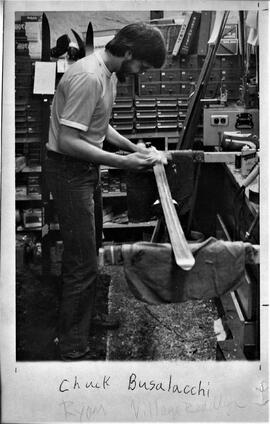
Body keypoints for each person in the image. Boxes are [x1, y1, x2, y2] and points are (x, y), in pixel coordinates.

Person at [45, 22, 167, 360]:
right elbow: (69, 141)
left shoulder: (107, 73)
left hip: (85, 170)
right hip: (70, 171)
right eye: (142, 65)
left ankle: (89, 317)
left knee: (93, 245)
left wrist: (132, 148)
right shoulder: (88, 77)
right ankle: (71, 343)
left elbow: (99, 124)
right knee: (82, 261)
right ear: (128, 53)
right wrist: (123, 163)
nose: (140, 72)